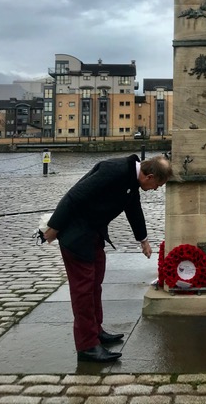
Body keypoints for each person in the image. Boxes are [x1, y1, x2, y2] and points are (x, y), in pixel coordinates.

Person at [43, 153, 173, 363]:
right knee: (83, 292)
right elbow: (74, 196)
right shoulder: (114, 170)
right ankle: (87, 346)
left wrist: (144, 241)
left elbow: (134, 210)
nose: (155, 189)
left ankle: (96, 331)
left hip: (93, 235)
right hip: (76, 236)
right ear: (149, 177)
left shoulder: (132, 178)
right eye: (157, 185)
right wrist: (53, 228)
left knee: (95, 284)